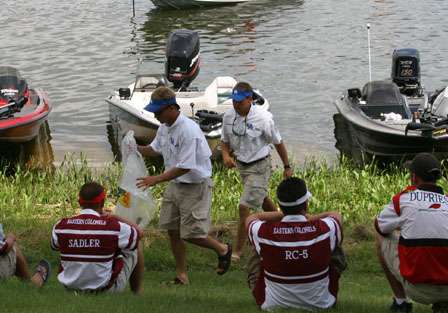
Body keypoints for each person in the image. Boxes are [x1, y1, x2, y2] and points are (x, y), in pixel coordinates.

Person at [136, 86, 231, 285]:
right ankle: (182, 275)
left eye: (158, 111)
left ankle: (223, 249)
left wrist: (156, 179)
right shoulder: (163, 126)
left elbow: (186, 167)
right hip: (175, 185)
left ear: (172, 108)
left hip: (194, 186)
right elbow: (154, 149)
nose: (155, 114)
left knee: (191, 234)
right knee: (172, 230)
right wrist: (136, 148)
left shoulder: (188, 130)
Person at [246, 177, 345, 311]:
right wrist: (309, 218)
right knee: (334, 241)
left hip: (272, 306)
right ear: (306, 204)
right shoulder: (325, 228)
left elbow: (251, 218)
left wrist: (283, 214)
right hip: (322, 304)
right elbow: (335, 215)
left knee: (256, 243)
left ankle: (261, 290)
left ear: (281, 206)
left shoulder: (263, 231)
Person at [221, 81, 293, 261]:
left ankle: (237, 252)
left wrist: (286, 166)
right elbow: (224, 141)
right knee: (262, 198)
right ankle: (286, 223)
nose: (236, 105)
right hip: (242, 166)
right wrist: (225, 156)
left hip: (260, 165)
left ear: (250, 100)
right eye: (234, 101)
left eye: (240, 102)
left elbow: (277, 142)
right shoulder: (229, 116)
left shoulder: (264, 118)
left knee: (244, 207)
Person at [375, 152, 448, 313]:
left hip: (417, 288)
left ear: (414, 178)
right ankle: (443, 302)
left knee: (380, 238)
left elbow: (379, 226)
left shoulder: (404, 199)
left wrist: (404, 225)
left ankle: (401, 303)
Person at [51, 182, 144, 294]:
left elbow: (55, 246)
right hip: (105, 290)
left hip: (71, 290)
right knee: (135, 243)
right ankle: (137, 292)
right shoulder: (114, 227)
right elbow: (139, 234)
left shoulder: (61, 226)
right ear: (102, 202)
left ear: (79, 202)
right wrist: (115, 217)